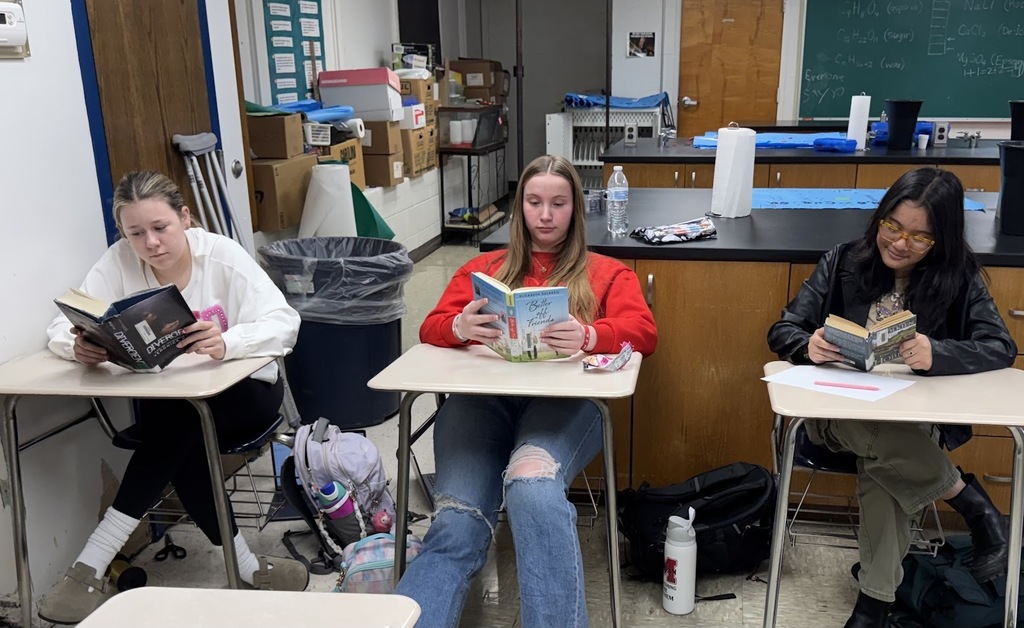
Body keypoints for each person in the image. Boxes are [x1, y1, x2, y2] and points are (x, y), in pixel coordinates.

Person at [396, 155, 657, 627]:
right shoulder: (484, 267)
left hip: (565, 405)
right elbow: (430, 327)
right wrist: (460, 324)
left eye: (558, 203)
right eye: (534, 202)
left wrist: (590, 335)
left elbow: (643, 331)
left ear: (576, 209)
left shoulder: (608, 273)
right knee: (456, 522)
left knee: (531, 485)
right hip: (483, 402)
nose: (545, 215)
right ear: (520, 209)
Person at [39, 171, 307, 624]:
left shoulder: (221, 255)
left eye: (160, 228)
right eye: (135, 233)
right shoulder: (118, 261)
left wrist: (230, 340)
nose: (150, 244)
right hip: (169, 404)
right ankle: (248, 568)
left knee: (179, 424)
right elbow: (62, 326)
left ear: (185, 218)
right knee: (181, 433)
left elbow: (285, 322)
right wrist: (76, 344)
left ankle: (91, 563)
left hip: (245, 393)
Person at [767, 167, 1015, 628]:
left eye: (920, 239)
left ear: (941, 241)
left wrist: (936, 352)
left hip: (911, 418)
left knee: (886, 473)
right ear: (879, 219)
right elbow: (783, 328)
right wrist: (809, 345)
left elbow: (1001, 346)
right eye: (893, 226)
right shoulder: (842, 260)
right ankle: (972, 506)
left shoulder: (959, 278)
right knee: (886, 441)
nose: (900, 244)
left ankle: (872, 609)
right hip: (838, 415)